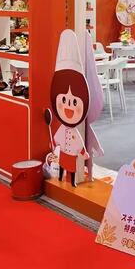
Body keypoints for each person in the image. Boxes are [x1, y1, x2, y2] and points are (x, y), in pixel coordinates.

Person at [48, 30, 90, 187]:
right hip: (65, 153)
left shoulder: (74, 131)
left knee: (71, 167)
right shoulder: (63, 128)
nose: (68, 108)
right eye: (64, 100)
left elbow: (79, 143)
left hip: (71, 154)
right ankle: (61, 177)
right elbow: (56, 140)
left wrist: (83, 152)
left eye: (74, 102)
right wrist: (54, 144)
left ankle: (72, 182)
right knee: (63, 165)